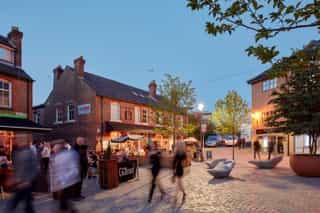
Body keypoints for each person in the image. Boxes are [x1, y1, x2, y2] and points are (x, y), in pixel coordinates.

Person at [6, 139, 39, 213]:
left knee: (15, 203)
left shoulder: (30, 152)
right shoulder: (16, 153)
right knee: (25, 205)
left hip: (26, 183)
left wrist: (28, 180)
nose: (17, 142)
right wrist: (13, 178)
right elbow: (17, 168)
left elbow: (35, 168)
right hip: (20, 183)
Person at [50, 142, 80, 213]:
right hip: (61, 183)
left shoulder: (69, 155)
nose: (54, 150)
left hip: (68, 182)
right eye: (54, 148)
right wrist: (54, 186)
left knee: (65, 199)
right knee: (64, 201)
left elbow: (74, 169)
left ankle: (71, 210)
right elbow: (53, 172)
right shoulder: (54, 157)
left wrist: (64, 179)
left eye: (55, 148)